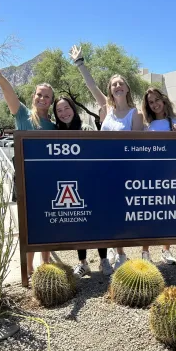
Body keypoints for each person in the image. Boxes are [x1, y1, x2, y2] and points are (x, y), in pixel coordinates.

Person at [0, 29, 54, 278]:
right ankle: (28, 273)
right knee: (28, 227)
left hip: (48, 180)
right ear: (33, 96)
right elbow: (1, 81)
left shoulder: (54, 126)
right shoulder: (20, 114)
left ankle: (47, 271)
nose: (42, 98)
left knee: (48, 224)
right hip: (24, 180)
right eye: (39, 94)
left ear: (51, 101)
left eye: (47, 96)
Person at [69, 44, 144, 269]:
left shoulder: (135, 114)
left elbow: (138, 146)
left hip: (124, 172)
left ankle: (120, 254)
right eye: (114, 84)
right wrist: (80, 63)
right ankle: (112, 250)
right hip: (103, 170)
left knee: (120, 212)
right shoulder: (106, 109)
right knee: (106, 211)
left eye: (121, 83)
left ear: (127, 88)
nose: (117, 86)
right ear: (110, 90)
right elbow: (91, 86)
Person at [53, 96, 114, 277]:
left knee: (99, 222)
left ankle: (104, 261)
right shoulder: (55, 132)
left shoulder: (86, 128)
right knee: (79, 224)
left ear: (73, 108)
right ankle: (83, 263)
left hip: (92, 182)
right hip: (70, 185)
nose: (64, 113)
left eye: (66, 108)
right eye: (59, 110)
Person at [141, 87, 176, 264]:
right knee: (147, 213)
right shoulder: (147, 126)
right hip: (151, 173)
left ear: (164, 100)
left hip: (171, 174)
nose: (154, 104)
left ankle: (166, 250)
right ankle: (145, 252)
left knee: (168, 213)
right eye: (150, 102)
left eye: (156, 100)